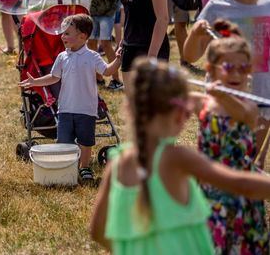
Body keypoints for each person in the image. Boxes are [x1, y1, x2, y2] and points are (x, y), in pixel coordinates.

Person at [89, 57, 270, 254]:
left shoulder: (117, 163)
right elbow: (241, 185)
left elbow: (97, 231)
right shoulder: (177, 158)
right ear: (180, 114)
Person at [184, 0, 270, 167]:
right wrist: (195, 34)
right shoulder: (217, 7)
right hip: (222, 99)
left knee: (249, 165)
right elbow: (190, 56)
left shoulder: (267, 6)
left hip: (261, 98)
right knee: (218, 163)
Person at [190, 20, 268, 253]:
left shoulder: (250, 107)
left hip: (242, 191)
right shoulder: (204, 103)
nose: (236, 73)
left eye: (243, 68)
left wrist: (223, 96)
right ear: (211, 70)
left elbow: (244, 115)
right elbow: (174, 98)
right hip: (210, 189)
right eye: (228, 67)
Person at [19, 14, 122, 181]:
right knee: (64, 141)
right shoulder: (62, 57)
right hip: (65, 109)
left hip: (86, 110)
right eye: (62, 33)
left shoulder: (92, 56)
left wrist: (118, 59)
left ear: (82, 36)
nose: (62, 36)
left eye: (67, 33)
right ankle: (67, 167)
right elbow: (54, 77)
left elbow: (107, 71)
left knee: (86, 141)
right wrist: (35, 82)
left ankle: (84, 167)